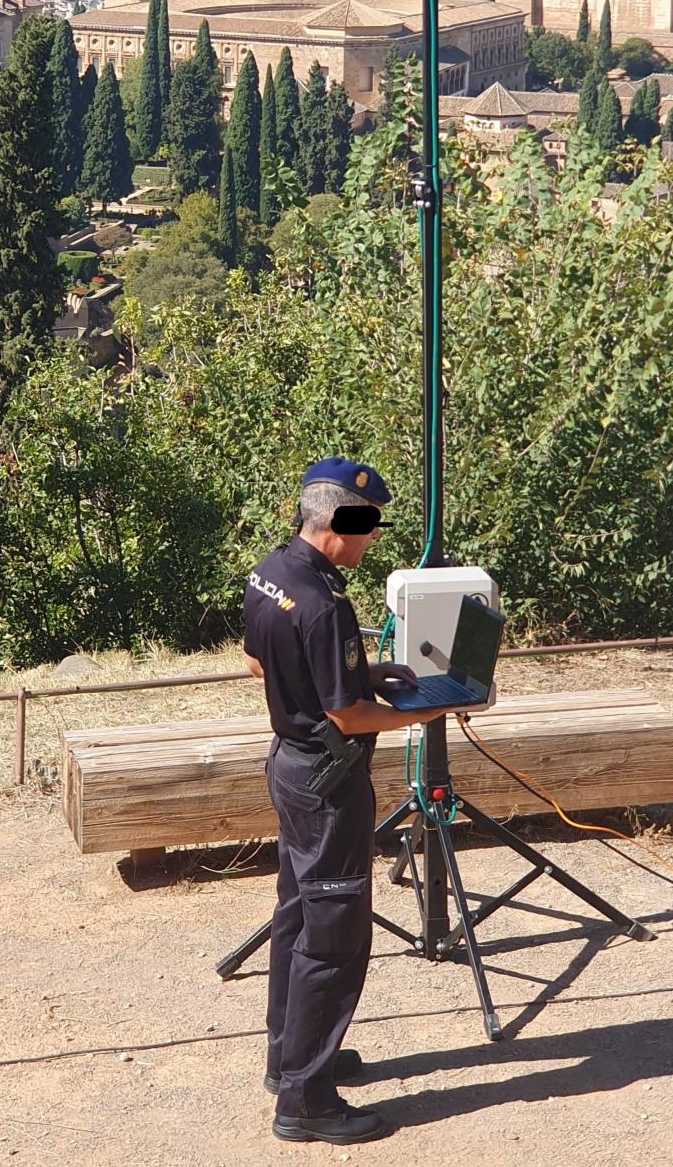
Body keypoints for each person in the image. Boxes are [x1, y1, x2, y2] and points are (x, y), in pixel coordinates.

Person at [243, 456, 455, 1145]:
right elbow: (348, 718)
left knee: (297, 917)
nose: (370, 542)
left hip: (289, 767)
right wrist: (419, 713)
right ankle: (305, 1103)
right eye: (365, 529)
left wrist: (370, 672)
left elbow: (258, 660)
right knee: (333, 938)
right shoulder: (326, 602)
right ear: (336, 522)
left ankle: (290, 1059)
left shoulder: (274, 571)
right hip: (329, 782)